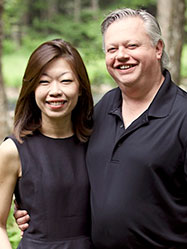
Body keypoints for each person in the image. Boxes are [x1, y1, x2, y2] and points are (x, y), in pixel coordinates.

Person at [15, 8, 187, 249]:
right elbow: (61, 163)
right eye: (112, 49)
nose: (121, 56)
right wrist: (34, 204)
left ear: (158, 48)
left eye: (132, 46)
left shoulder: (182, 117)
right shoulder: (102, 109)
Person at [0, 38, 94, 249]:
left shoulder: (99, 142)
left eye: (66, 81)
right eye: (43, 82)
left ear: (81, 88)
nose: (55, 91)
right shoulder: (13, 150)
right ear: (32, 89)